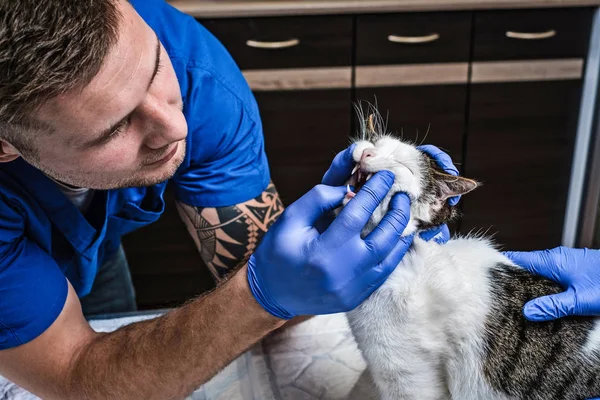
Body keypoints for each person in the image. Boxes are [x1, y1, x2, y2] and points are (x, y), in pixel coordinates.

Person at [0, 1, 595, 399]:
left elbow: (274, 290)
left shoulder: (193, 73)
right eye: (114, 128)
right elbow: (77, 373)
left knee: (104, 299)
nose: (175, 126)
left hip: (91, 242)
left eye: (155, 71)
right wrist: (262, 293)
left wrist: (288, 280)